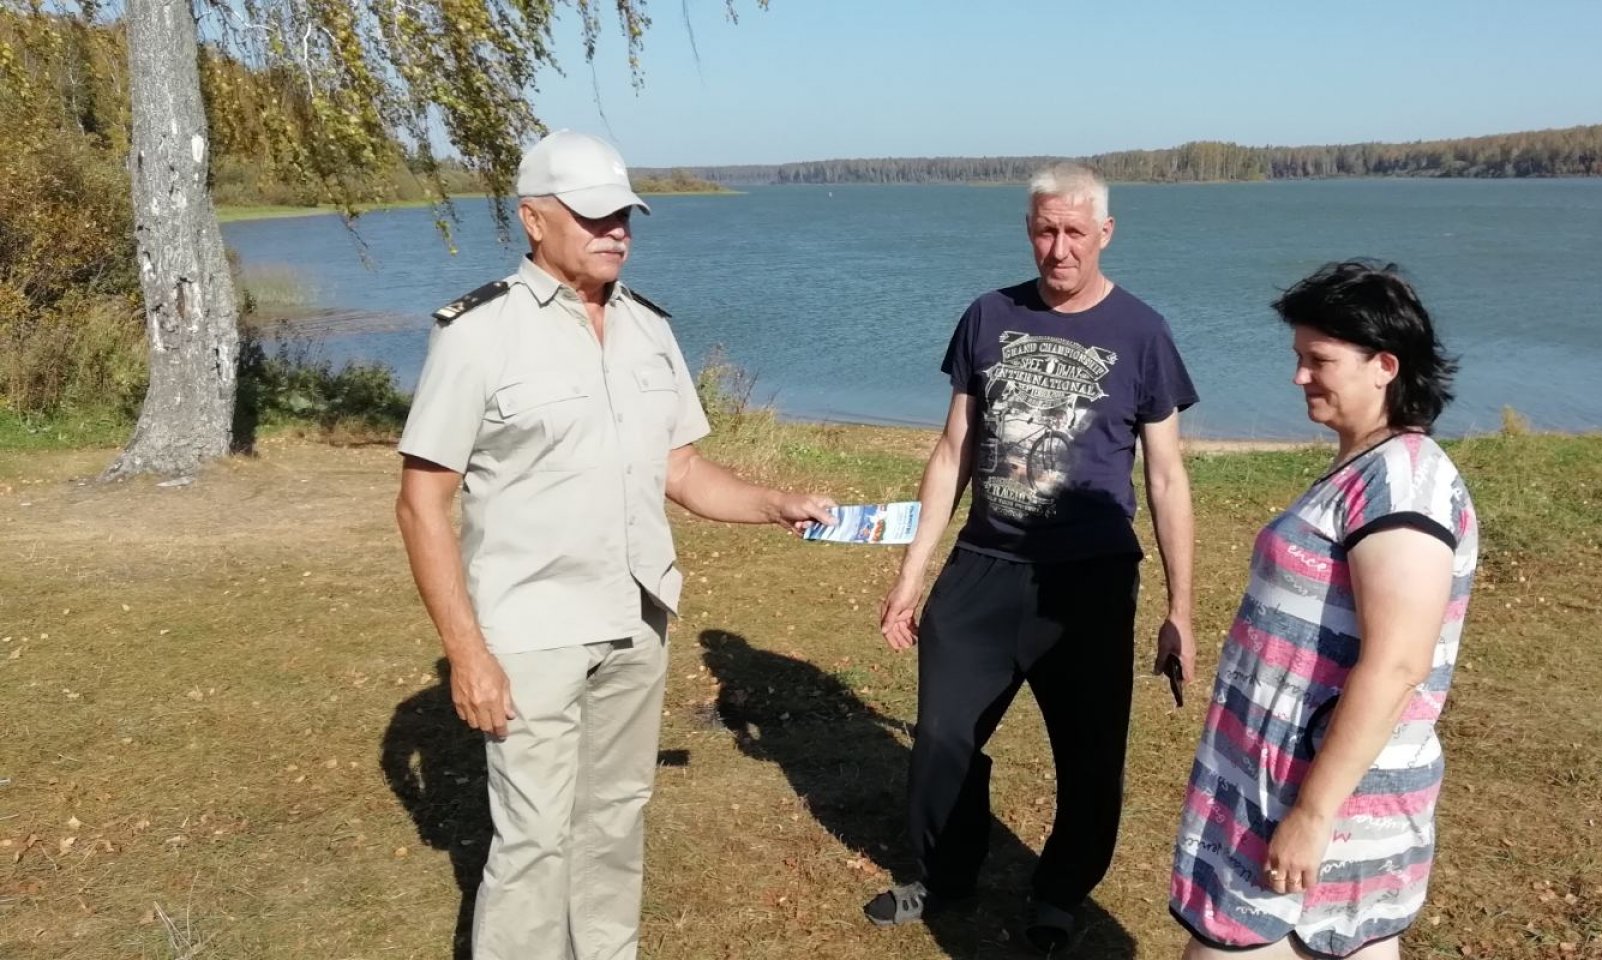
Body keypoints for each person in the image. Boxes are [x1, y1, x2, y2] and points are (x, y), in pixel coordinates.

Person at [393, 129, 835, 960]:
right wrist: (467, 654)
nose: (616, 232)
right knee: (533, 840)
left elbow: (683, 469)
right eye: (594, 216)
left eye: (623, 216)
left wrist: (773, 502)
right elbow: (422, 505)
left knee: (614, 819)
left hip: (637, 620)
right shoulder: (477, 334)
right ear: (534, 219)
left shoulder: (646, 327)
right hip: (531, 630)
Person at [869, 162, 1199, 952]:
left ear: (1105, 233)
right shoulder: (988, 315)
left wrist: (1180, 609)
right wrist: (911, 576)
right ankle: (946, 874)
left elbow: (1165, 475)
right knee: (943, 736)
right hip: (984, 565)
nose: (1060, 249)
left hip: (1088, 579)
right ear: (1028, 230)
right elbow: (954, 447)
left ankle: (1058, 895)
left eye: (1075, 232)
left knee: (1090, 755)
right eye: (1046, 231)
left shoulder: (1143, 332)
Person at [1169, 261, 1478, 959]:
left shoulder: (1404, 485)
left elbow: (1398, 663)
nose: (1299, 376)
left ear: (1384, 366)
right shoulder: (1368, 468)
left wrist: (1312, 813)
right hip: (1285, 785)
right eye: (1298, 357)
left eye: (1319, 360)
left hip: (1328, 805)